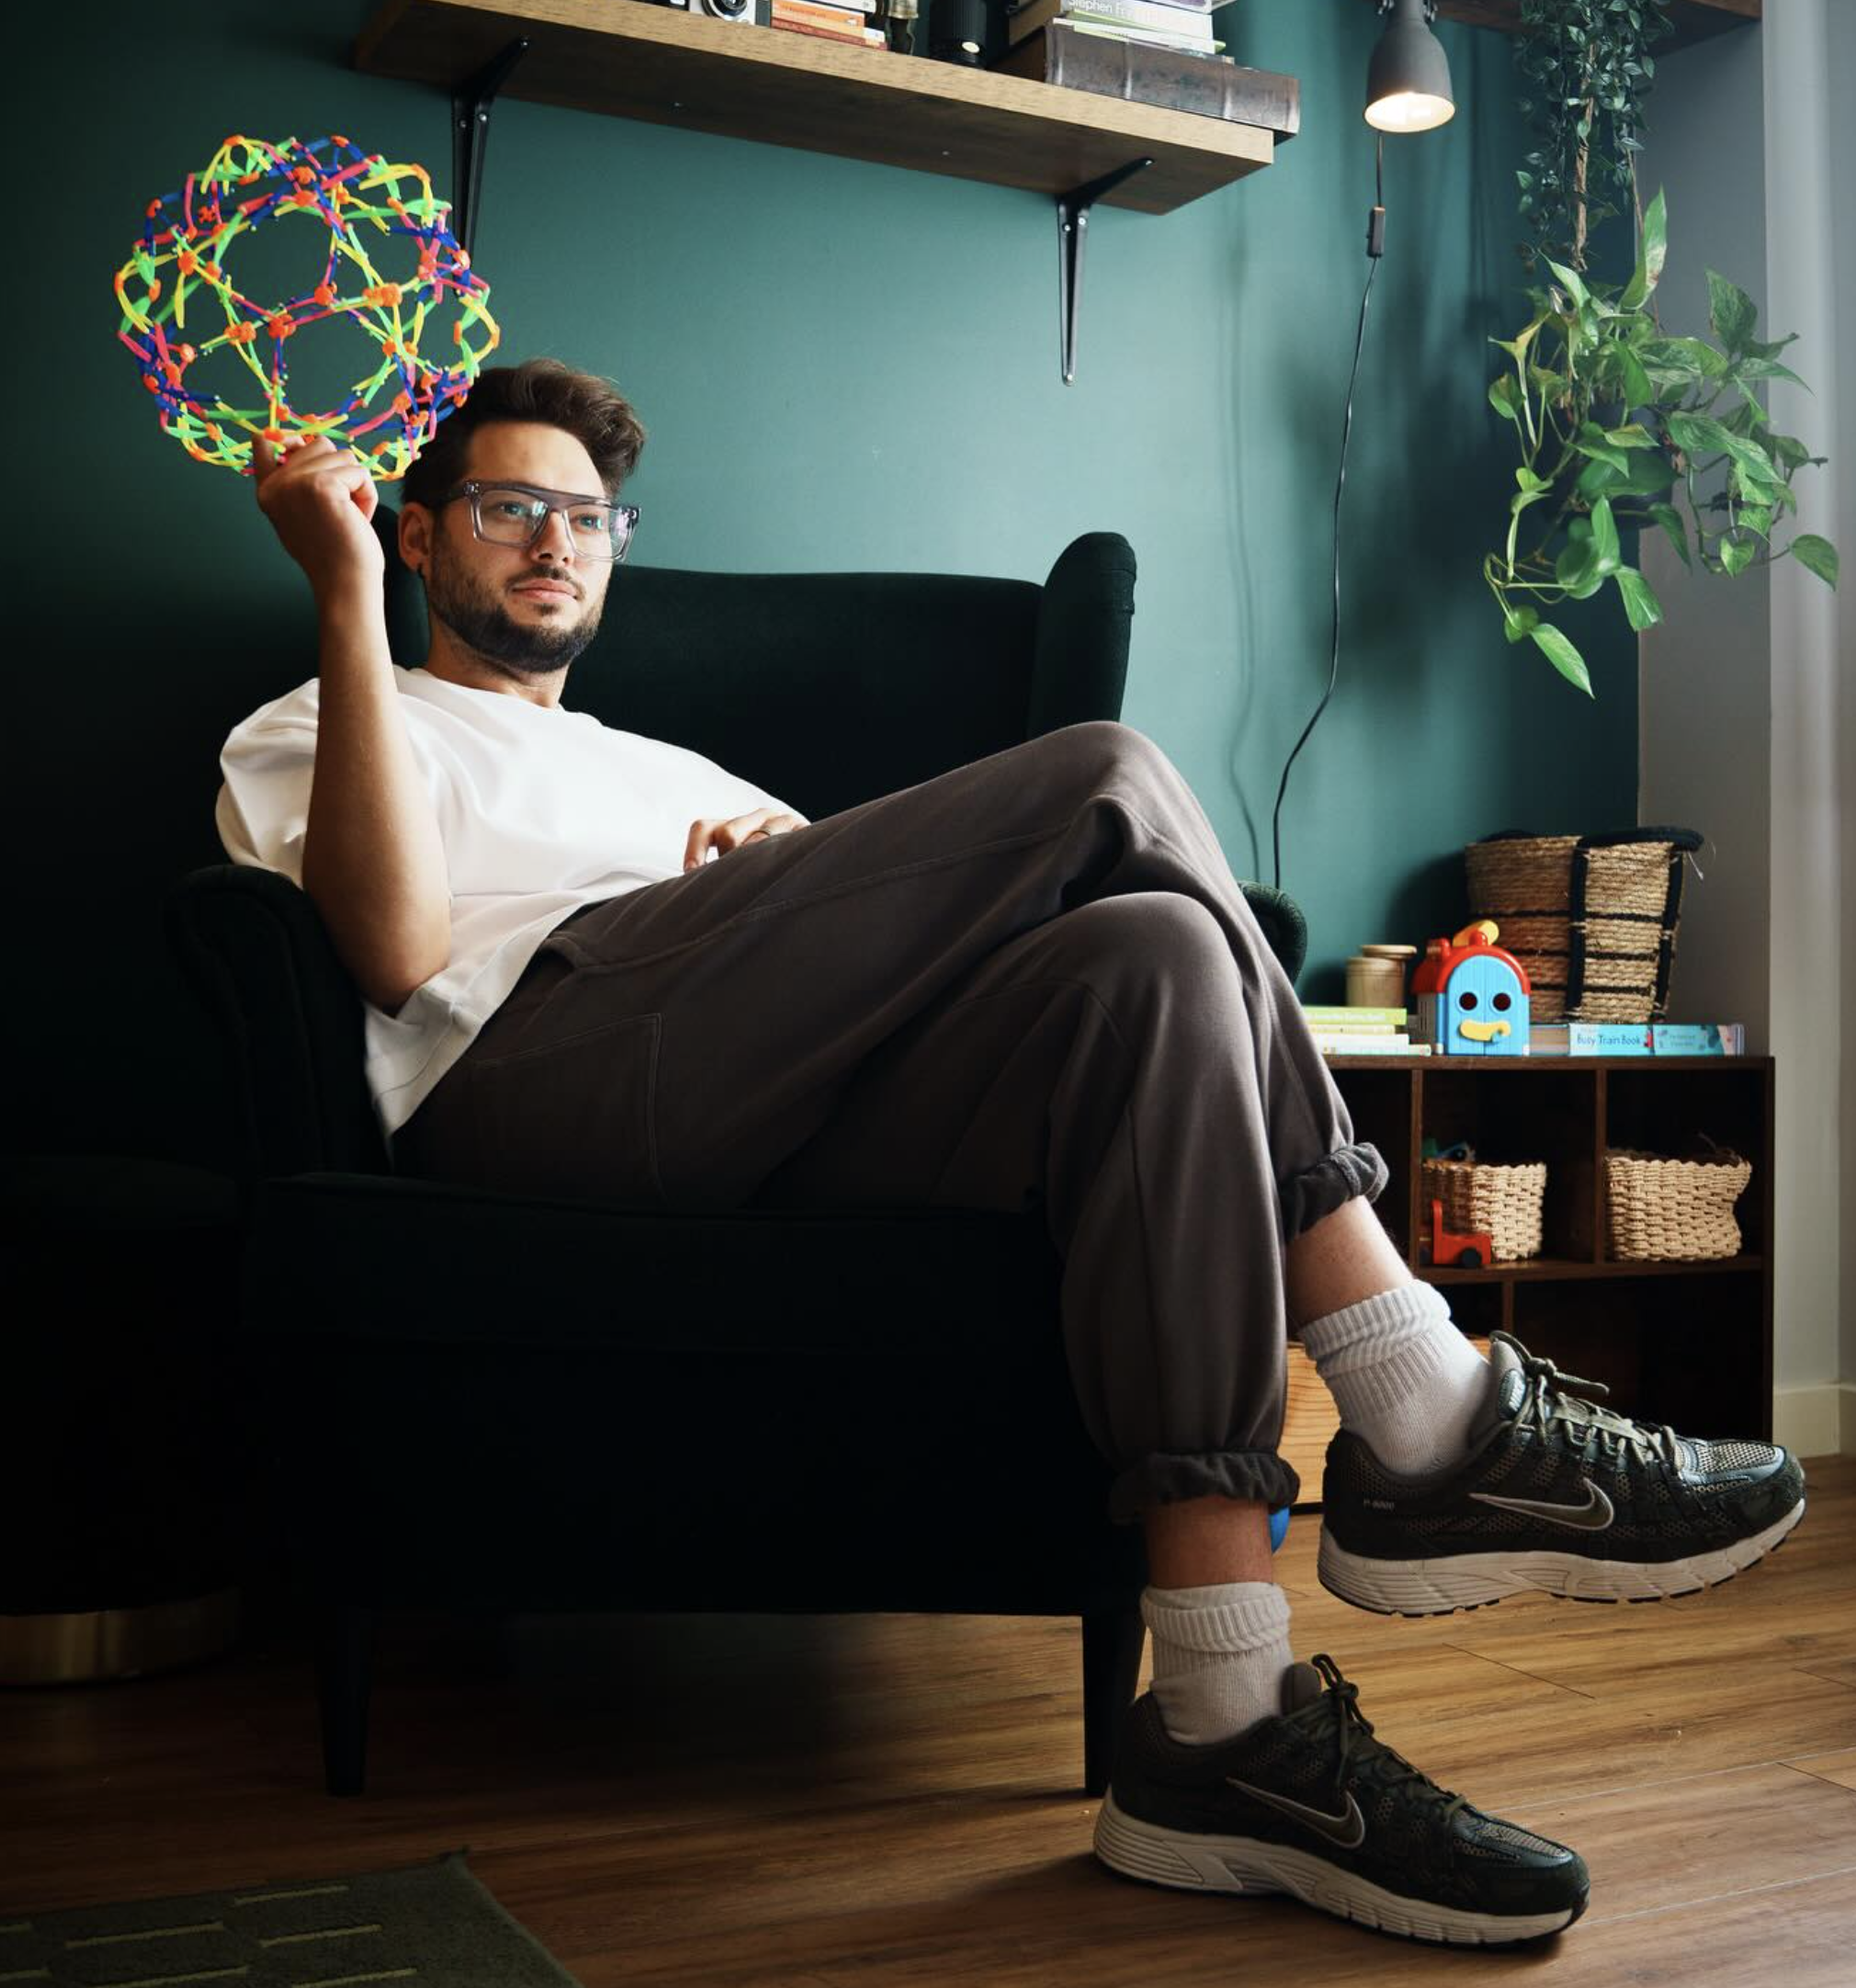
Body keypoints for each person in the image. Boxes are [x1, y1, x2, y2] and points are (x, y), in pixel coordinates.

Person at [217, 357, 1806, 1949]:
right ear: (420, 535)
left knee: (1156, 970)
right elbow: (400, 951)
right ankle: (1424, 1403)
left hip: (764, 1108)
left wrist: (780, 874)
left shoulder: (678, 775)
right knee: (1107, 775)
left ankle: (1217, 1721)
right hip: (531, 1092)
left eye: (588, 516)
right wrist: (342, 599)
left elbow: (886, 965)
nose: (557, 543)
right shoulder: (323, 714)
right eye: (508, 510)